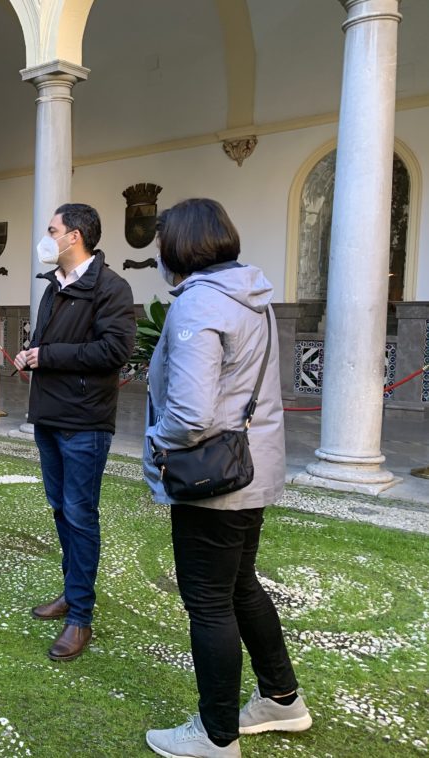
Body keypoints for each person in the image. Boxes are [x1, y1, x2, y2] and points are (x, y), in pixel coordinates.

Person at [142, 199, 311, 758]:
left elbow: (190, 414)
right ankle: (282, 699)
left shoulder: (199, 305)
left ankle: (216, 735)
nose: (158, 252)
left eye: (161, 240)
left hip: (213, 479)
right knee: (240, 587)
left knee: (210, 602)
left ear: (180, 245)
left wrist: (157, 443)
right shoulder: (251, 296)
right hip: (250, 468)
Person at [14, 203, 135, 662]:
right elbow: (48, 343)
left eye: (52, 230)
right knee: (61, 511)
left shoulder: (111, 287)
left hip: (84, 421)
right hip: (49, 416)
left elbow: (114, 350)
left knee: (80, 515)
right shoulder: (54, 287)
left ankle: (79, 616)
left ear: (75, 236)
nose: (46, 238)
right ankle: (72, 590)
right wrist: (31, 353)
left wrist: (49, 356)